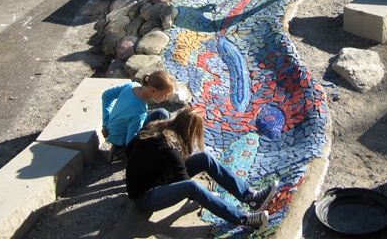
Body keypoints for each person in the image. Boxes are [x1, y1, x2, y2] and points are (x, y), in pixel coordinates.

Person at [126, 107, 279, 229]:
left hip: (159, 180)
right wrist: (207, 195)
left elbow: (129, 149)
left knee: (205, 158)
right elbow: (184, 182)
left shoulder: (159, 127)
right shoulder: (168, 148)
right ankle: (242, 218)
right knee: (192, 187)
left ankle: (250, 197)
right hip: (145, 197)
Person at [101, 70, 175, 162]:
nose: (166, 98)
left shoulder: (132, 85)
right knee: (161, 123)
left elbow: (106, 96)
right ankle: (119, 151)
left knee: (163, 114)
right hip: (121, 139)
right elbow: (131, 142)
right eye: (165, 95)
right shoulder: (139, 112)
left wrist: (105, 123)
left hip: (112, 129)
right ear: (153, 90)